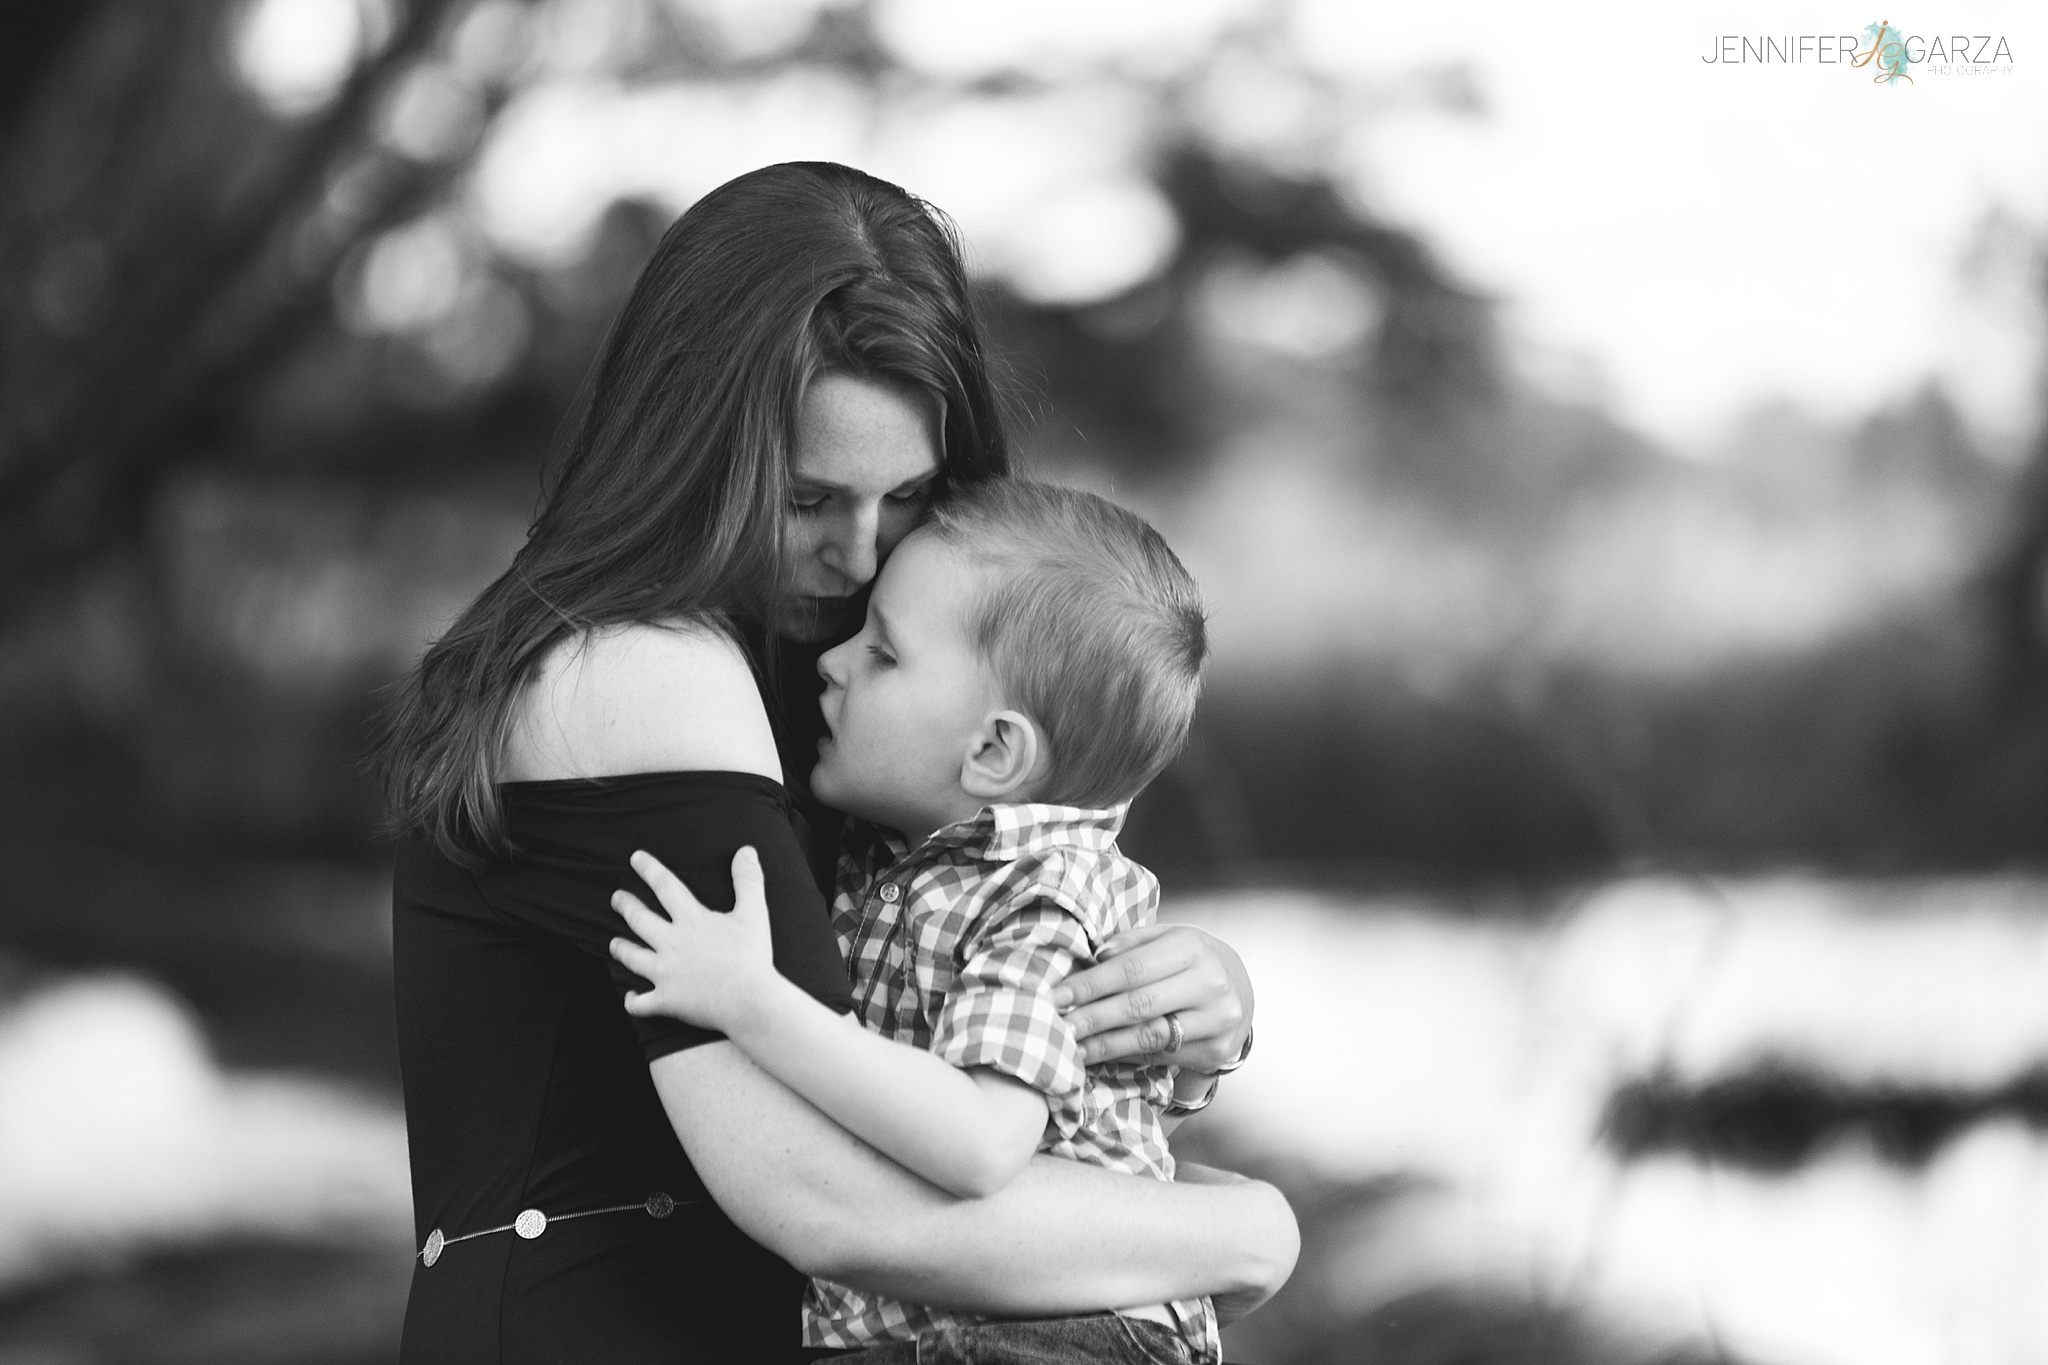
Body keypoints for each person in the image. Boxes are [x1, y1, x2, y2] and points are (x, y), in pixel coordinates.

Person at [375, 161, 1291, 1365]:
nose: (858, 556)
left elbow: (949, 1030)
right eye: (806, 498)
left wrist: (1166, 1010)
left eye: (904, 495)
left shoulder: (831, 703)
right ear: (693, 452)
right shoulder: (645, 673)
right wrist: (1244, 1230)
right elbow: (839, 1199)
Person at [610, 481, 1246, 1364]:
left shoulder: (1038, 894)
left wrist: (752, 1001)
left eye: (884, 654)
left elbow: (982, 1142)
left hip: (1057, 1337)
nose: (832, 661)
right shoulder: (917, 863)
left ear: (993, 751)